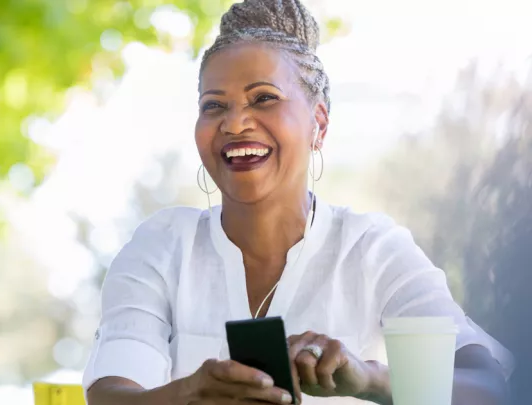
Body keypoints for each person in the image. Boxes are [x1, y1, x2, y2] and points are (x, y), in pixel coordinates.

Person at [83, 0, 514, 403]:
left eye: (264, 98)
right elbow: (112, 392)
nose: (235, 122)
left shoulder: (371, 248)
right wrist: (188, 394)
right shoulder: (163, 245)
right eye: (214, 106)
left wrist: (367, 377)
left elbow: (488, 384)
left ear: (319, 123)